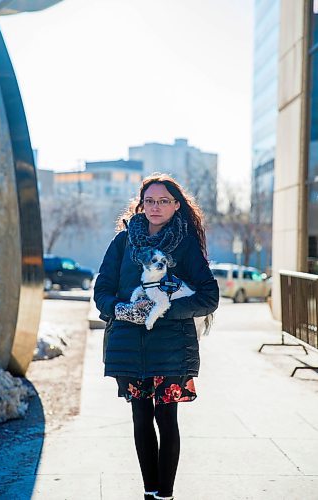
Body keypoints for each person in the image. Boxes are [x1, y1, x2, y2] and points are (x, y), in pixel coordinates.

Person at [94, 172, 219, 500]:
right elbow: (102, 292)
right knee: (140, 418)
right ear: (141, 203)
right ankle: (149, 493)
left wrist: (164, 310)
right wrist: (122, 310)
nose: (155, 206)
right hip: (129, 346)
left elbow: (209, 297)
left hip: (172, 347)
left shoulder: (186, 243)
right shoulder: (123, 242)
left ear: (176, 205)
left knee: (166, 417)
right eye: (150, 200)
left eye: (163, 201)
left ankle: (166, 495)